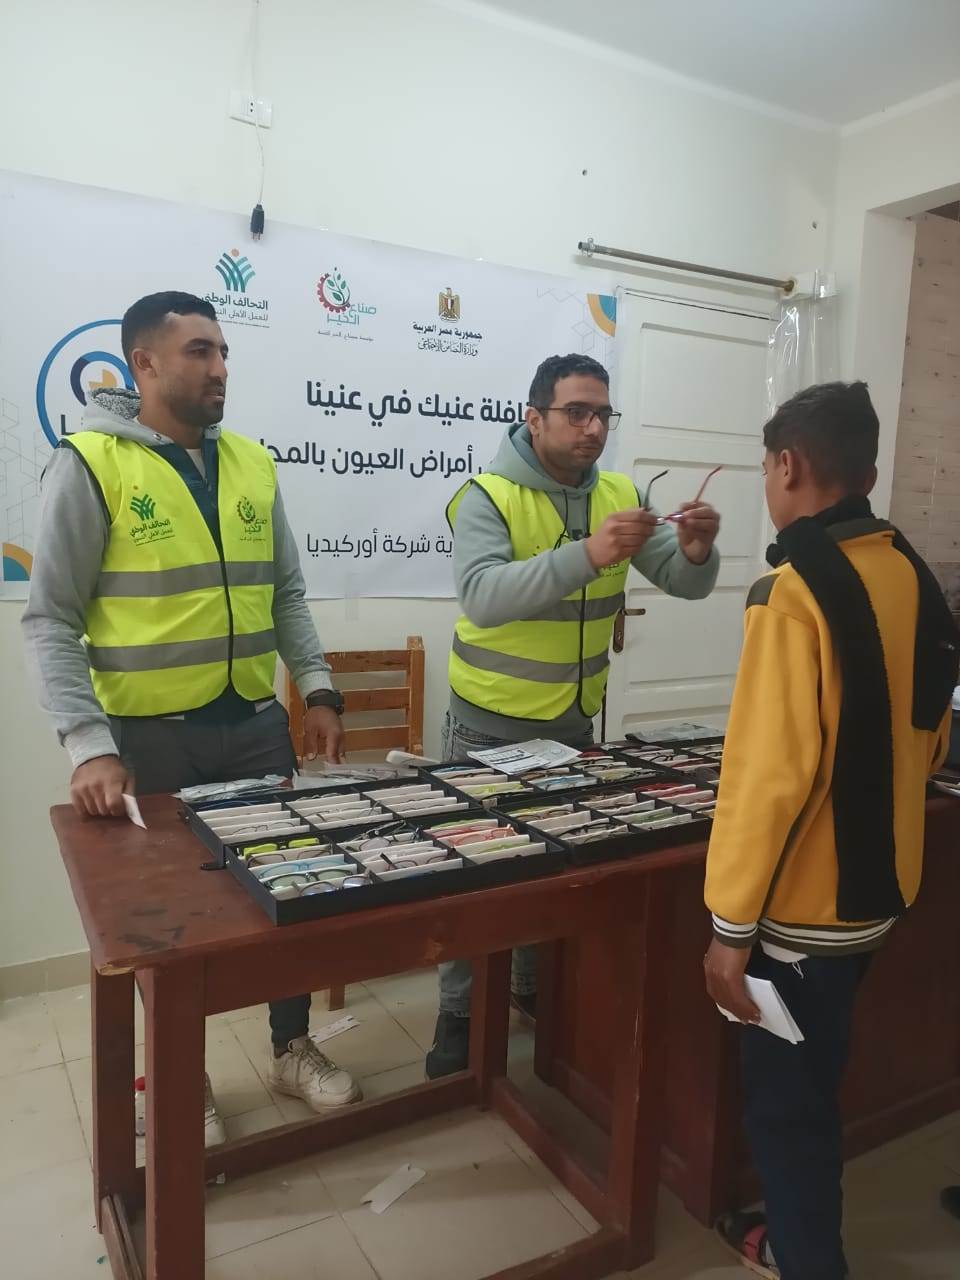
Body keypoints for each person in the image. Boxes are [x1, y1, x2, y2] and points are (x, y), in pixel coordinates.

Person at [23, 291, 363, 1143]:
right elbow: (50, 618)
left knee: (292, 889)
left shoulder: (250, 462)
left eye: (223, 352)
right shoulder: (90, 462)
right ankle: (181, 1079)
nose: (219, 369)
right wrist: (88, 744)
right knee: (165, 926)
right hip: (149, 740)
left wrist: (318, 689)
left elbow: (286, 592)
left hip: (254, 726)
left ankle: (291, 1047)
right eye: (199, 352)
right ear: (143, 364)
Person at [702, 382, 958, 1280]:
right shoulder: (912, 575)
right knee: (817, 1082)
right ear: (870, 475)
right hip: (880, 893)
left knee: (788, 1112)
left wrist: (729, 930)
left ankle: (809, 1261)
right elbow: (932, 738)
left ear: (787, 466)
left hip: (800, 915)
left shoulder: (792, 589)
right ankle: (796, 1236)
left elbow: (767, 778)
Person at [426, 352, 721, 1078]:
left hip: (571, 725)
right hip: (488, 725)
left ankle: (531, 990)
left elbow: (682, 582)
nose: (593, 428)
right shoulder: (487, 496)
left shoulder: (618, 492)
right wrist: (588, 554)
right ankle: (460, 1013)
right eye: (577, 413)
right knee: (477, 874)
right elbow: (483, 597)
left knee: (557, 868)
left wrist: (696, 550)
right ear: (534, 418)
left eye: (602, 414)